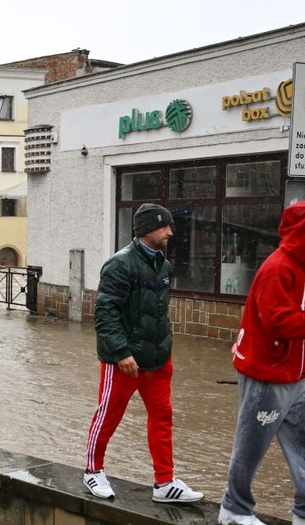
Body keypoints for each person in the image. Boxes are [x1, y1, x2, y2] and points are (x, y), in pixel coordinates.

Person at [218, 201, 305, 525]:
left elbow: (293, 318)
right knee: (251, 446)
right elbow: (279, 323)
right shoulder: (278, 268)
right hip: (267, 375)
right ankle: (233, 510)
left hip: (297, 375)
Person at [83, 203, 204, 504]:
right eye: (165, 227)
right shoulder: (120, 264)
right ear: (148, 229)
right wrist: (121, 352)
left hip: (158, 360)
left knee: (163, 417)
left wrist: (166, 348)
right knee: (108, 416)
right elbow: (105, 313)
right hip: (124, 361)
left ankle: (164, 482)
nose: (170, 233)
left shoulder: (164, 266)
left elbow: (158, 312)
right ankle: (92, 471)